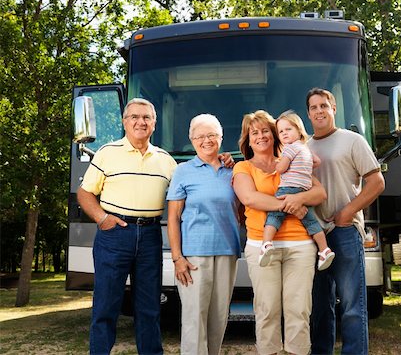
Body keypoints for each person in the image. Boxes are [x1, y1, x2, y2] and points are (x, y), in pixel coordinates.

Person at [77, 98, 177, 355]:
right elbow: (85, 193)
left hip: (151, 236)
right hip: (115, 235)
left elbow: (188, 187)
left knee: (149, 308)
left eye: (146, 117)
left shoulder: (166, 161)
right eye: (134, 117)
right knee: (105, 307)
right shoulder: (107, 153)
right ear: (124, 121)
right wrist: (102, 218)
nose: (140, 122)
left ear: (154, 123)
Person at [232, 110, 327, 355]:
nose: (261, 136)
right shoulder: (242, 167)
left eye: (266, 131)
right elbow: (249, 198)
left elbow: (320, 194)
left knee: (299, 309)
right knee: (267, 309)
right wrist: (292, 204)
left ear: (275, 135)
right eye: (254, 132)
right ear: (248, 139)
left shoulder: (293, 160)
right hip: (261, 246)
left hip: (300, 247)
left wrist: (299, 198)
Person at [306, 88, 385, 355]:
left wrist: (348, 212)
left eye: (324, 106)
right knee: (320, 306)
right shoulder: (303, 146)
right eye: (314, 107)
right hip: (314, 236)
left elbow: (377, 182)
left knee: (352, 305)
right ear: (308, 113)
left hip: (344, 231)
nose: (319, 111)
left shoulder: (353, 141)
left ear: (334, 109)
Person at [166, 114, 241, 355]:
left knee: (219, 318)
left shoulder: (234, 170)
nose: (206, 140)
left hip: (228, 251)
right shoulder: (183, 171)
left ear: (221, 138)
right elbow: (173, 218)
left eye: (212, 135)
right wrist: (177, 258)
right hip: (193, 256)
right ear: (192, 139)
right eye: (200, 136)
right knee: (194, 319)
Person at [259, 110, 335, 270]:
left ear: (299, 130)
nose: (284, 134)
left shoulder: (289, 148)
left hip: (288, 188)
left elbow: (281, 168)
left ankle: (266, 244)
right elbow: (317, 161)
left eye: (288, 129)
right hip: (303, 189)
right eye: (281, 131)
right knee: (310, 221)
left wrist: (276, 165)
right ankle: (324, 250)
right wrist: (303, 166)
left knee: (274, 215)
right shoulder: (305, 148)